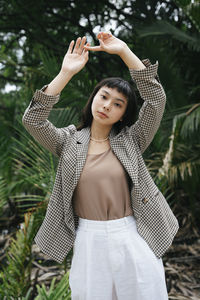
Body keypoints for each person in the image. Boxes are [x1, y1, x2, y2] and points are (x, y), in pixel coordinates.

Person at [22, 32, 179, 300]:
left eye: (117, 104)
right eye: (104, 97)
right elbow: (33, 119)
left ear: (123, 115)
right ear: (94, 97)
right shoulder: (67, 141)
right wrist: (66, 73)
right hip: (88, 240)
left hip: (132, 235)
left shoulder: (132, 139)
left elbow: (156, 100)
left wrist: (124, 52)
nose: (107, 106)